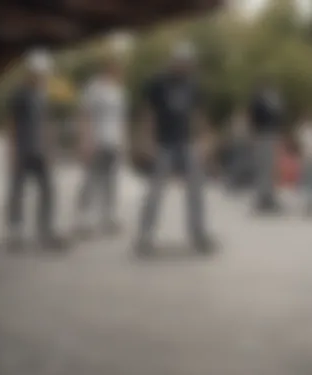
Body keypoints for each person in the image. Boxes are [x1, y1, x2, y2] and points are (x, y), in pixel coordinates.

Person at [135, 41, 216, 255]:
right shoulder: (158, 83)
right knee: (155, 191)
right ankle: (145, 235)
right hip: (163, 143)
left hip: (186, 143)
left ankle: (198, 235)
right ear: (174, 62)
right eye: (182, 63)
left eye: (188, 64)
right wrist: (145, 140)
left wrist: (206, 138)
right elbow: (148, 113)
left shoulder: (193, 84)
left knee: (196, 190)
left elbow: (198, 114)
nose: (186, 67)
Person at [6, 49, 61, 251]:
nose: (43, 76)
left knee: (47, 191)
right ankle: (15, 231)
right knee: (18, 190)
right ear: (31, 72)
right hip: (23, 148)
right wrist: (11, 150)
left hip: (40, 150)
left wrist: (51, 148)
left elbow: (47, 122)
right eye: (40, 73)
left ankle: (44, 230)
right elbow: (11, 123)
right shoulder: (19, 94)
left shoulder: (43, 94)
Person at [75, 54, 127, 235]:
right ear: (107, 68)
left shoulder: (118, 90)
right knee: (91, 180)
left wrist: (123, 141)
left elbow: (120, 119)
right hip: (96, 140)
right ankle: (84, 218)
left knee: (111, 182)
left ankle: (108, 216)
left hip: (113, 141)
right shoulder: (94, 88)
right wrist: (85, 141)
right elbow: (85, 115)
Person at [249, 78, 284, 212]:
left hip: (271, 134)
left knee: (270, 167)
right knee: (263, 167)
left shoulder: (272, 101)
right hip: (262, 135)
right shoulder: (257, 101)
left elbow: (278, 118)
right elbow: (254, 119)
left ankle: (269, 196)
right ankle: (262, 198)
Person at [227, 108, 252, 191]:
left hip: (242, 145)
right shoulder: (237, 121)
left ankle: (239, 182)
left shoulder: (242, 121)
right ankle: (234, 182)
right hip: (238, 145)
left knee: (241, 163)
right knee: (237, 164)